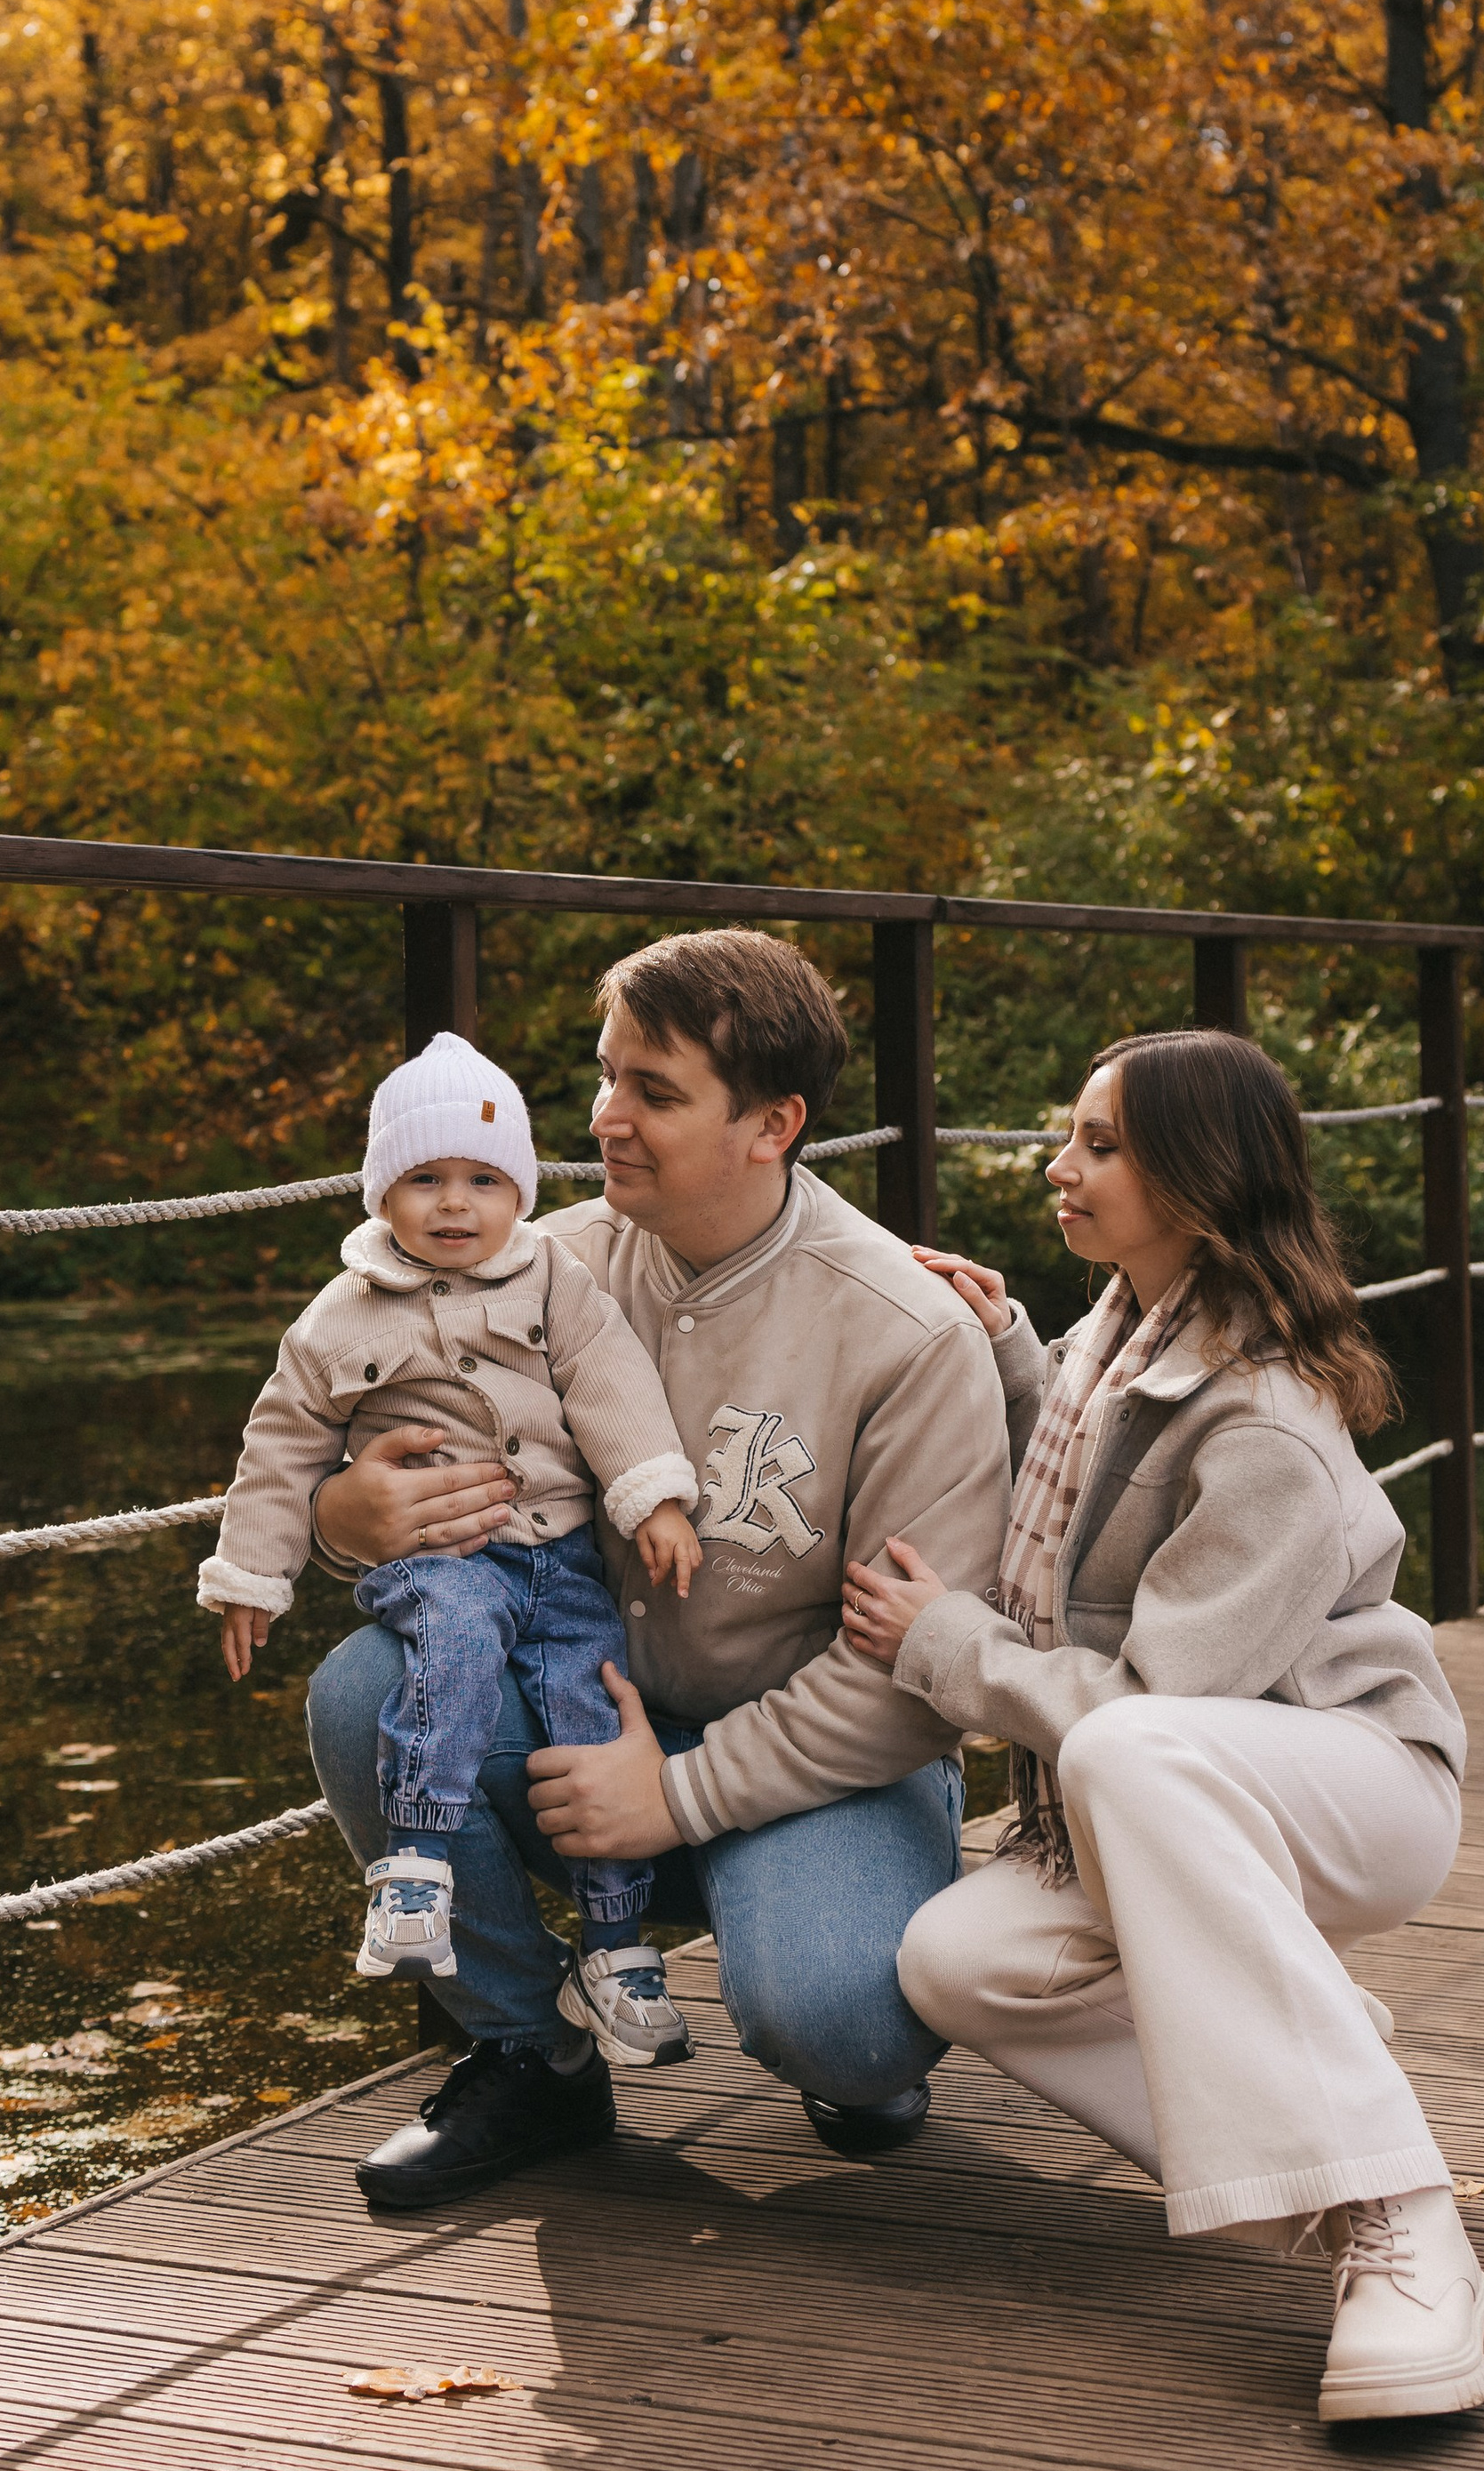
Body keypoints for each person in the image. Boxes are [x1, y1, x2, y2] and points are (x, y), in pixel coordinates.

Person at [843, 1027, 1484, 2427]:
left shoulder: (1266, 1423)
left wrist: (947, 1644)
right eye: (1069, 1135)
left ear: (1198, 1183)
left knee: (1122, 1746)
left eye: (1101, 1145)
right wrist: (1007, 1355)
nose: (1059, 1165)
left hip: (1354, 1778)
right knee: (959, 1962)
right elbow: (1099, 1482)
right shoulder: (1116, 1335)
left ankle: (1396, 2214)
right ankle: (1338, 2144)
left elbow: (1155, 1706)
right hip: (1191, 1780)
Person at [302, 928, 1013, 2210]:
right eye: (604, 1075)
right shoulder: (528, 1266)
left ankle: (832, 1984)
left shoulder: (907, 1334)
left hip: (820, 1769)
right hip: (580, 1720)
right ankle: (535, 2053)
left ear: (772, 1125)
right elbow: (329, 1432)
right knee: (365, 1692)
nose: (603, 1119)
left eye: (655, 1091)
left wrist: (673, 1799)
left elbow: (910, 1684)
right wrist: (344, 1516)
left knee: (845, 2032)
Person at [198, 1031, 708, 2068]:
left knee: (589, 1704)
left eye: (483, 1180)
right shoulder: (341, 1315)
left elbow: (608, 1380)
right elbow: (283, 1442)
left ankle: (614, 1948)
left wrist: (652, 1495)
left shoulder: (553, 1276)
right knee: (455, 1650)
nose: (454, 1205)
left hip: (562, 1556)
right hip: (447, 1561)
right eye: (424, 1180)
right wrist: (254, 1573)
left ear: (519, 1191)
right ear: (381, 1193)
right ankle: (418, 1866)